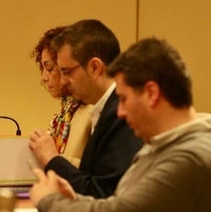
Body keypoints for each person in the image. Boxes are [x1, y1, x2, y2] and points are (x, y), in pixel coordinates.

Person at [30, 37, 211, 212]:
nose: (120, 112)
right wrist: (74, 202)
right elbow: (120, 204)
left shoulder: (191, 156)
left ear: (151, 93)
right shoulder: (163, 145)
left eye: (124, 99)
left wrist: (49, 202)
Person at [29, 19, 143, 198]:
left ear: (95, 68)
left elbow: (101, 194)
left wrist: (52, 159)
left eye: (67, 72)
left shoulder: (121, 113)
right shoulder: (106, 108)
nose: (64, 81)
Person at [31, 26, 92, 168]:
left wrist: (51, 158)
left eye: (50, 68)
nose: (43, 78)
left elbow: (94, 171)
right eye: (43, 68)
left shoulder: (92, 111)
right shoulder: (66, 112)